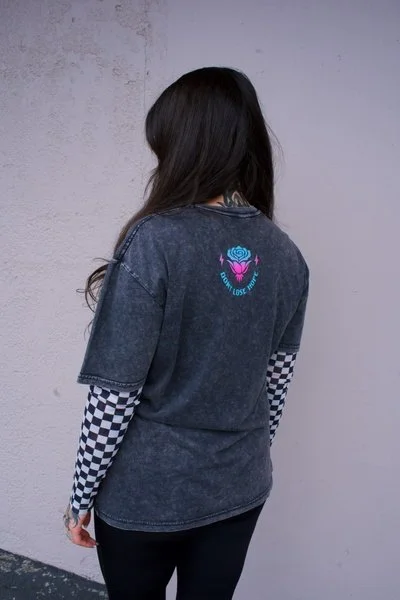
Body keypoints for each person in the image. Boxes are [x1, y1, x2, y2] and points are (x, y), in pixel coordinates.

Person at [63, 66, 309, 600]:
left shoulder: (155, 241)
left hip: (147, 495)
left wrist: (80, 495)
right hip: (239, 487)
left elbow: (114, 393)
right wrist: (236, 461)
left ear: (183, 146)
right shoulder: (287, 255)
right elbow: (275, 387)